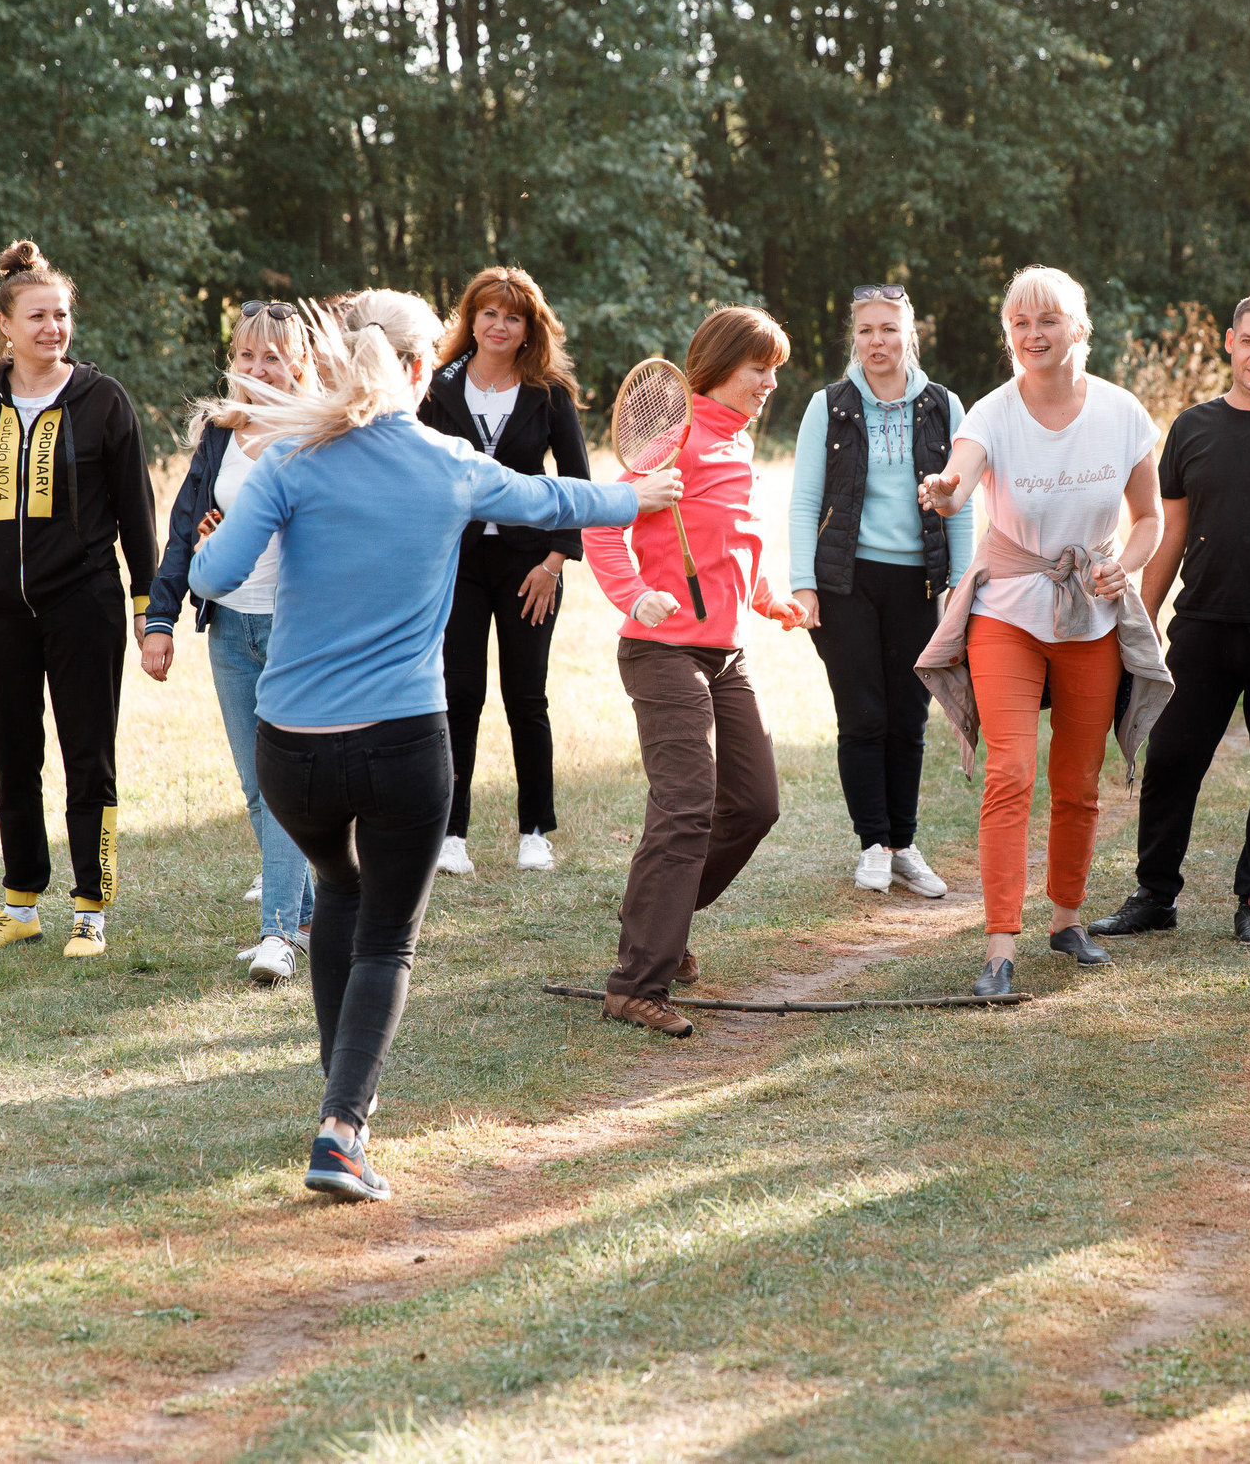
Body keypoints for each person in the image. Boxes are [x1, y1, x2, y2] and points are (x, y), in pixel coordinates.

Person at [189, 290, 673, 1200]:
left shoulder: (292, 460)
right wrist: (639, 496)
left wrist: (228, 536)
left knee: (341, 888)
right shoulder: (448, 462)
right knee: (387, 940)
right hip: (403, 744)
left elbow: (210, 575)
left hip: (291, 749)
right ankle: (341, 1130)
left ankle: (342, 1098)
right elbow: (553, 497)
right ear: (422, 370)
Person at [915, 266, 1172, 997]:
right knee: (1011, 773)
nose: (1033, 334)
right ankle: (999, 943)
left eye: (1047, 321)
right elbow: (961, 477)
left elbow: (1149, 517)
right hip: (1008, 610)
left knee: (1078, 780)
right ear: (1009, 336)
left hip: (1089, 614)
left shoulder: (1122, 413)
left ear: (1079, 328)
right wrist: (944, 490)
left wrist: (1123, 563)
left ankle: (1066, 917)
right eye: (1020, 324)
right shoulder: (992, 413)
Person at [1088, 290, 1250, 946]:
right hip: (1201, 625)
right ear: (1230, 343)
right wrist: (1143, 620)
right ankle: (1155, 893)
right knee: (1173, 756)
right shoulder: (1192, 427)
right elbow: (1170, 529)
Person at [583, 307, 812, 1039]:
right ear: (719, 365)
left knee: (755, 802)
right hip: (663, 650)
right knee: (686, 801)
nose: (771, 382)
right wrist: (635, 595)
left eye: (775, 369)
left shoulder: (738, 445)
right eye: (760, 369)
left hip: (726, 651)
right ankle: (637, 981)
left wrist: (768, 597)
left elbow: (732, 540)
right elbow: (600, 522)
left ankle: (659, 913)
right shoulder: (672, 440)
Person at [0, 241, 157, 960]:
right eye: (37, 315)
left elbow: (137, 511)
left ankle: (90, 909)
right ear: (5, 324)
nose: (52, 327)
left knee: (88, 753)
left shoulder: (102, 399)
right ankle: (19, 903)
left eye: (61, 314)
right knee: (13, 754)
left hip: (83, 604)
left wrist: (148, 603)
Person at [140, 302, 330, 984]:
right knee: (256, 786)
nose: (257, 368)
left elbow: (331, 528)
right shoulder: (221, 434)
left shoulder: (316, 435)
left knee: (282, 785)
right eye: (246, 355)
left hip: (294, 629)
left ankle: (278, 933)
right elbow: (185, 525)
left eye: (273, 356)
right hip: (227, 625)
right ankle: (310, 915)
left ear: (300, 363)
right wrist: (159, 618)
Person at [788, 284, 975, 897]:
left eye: (889, 329)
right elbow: (805, 501)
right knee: (863, 714)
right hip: (844, 581)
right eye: (866, 330)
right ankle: (872, 844)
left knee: (909, 716)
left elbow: (962, 505)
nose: (877, 341)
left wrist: (964, 591)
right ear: (855, 336)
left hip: (919, 584)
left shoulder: (945, 406)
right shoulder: (829, 405)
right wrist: (804, 584)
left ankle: (903, 844)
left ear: (909, 334)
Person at [417, 267, 592, 877]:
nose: (498, 325)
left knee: (527, 696)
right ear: (471, 319)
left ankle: (535, 830)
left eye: (512, 317)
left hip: (530, 566)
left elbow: (577, 483)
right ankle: (450, 835)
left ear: (528, 330)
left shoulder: (549, 393)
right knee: (458, 695)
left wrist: (554, 561)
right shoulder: (434, 388)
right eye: (488, 313)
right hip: (455, 563)